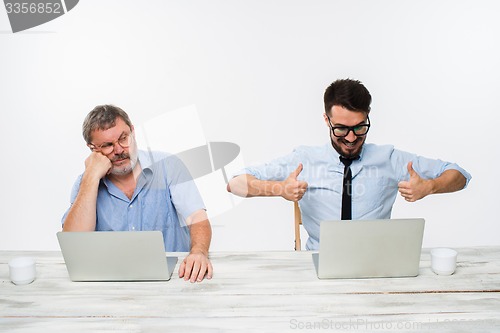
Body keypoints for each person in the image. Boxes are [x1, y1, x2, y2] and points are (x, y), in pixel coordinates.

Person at [227, 78, 471, 250]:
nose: (352, 138)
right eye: (341, 129)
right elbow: (235, 183)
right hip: (318, 260)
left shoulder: (389, 158)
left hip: (376, 262)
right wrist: (279, 189)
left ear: (367, 117)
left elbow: (459, 175)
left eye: (360, 127)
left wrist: (429, 187)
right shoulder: (305, 159)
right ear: (327, 119)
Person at [62, 105, 212, 282]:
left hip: (174, 278)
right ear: (93, 149)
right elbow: (75, 244)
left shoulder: (168, 166)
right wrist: (91, 177)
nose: (119, 150)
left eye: (123, 138)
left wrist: (199, 252)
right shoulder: (85, 184)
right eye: (108, 145)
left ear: (132, 131)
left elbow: (196, 216)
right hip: (111, 281)